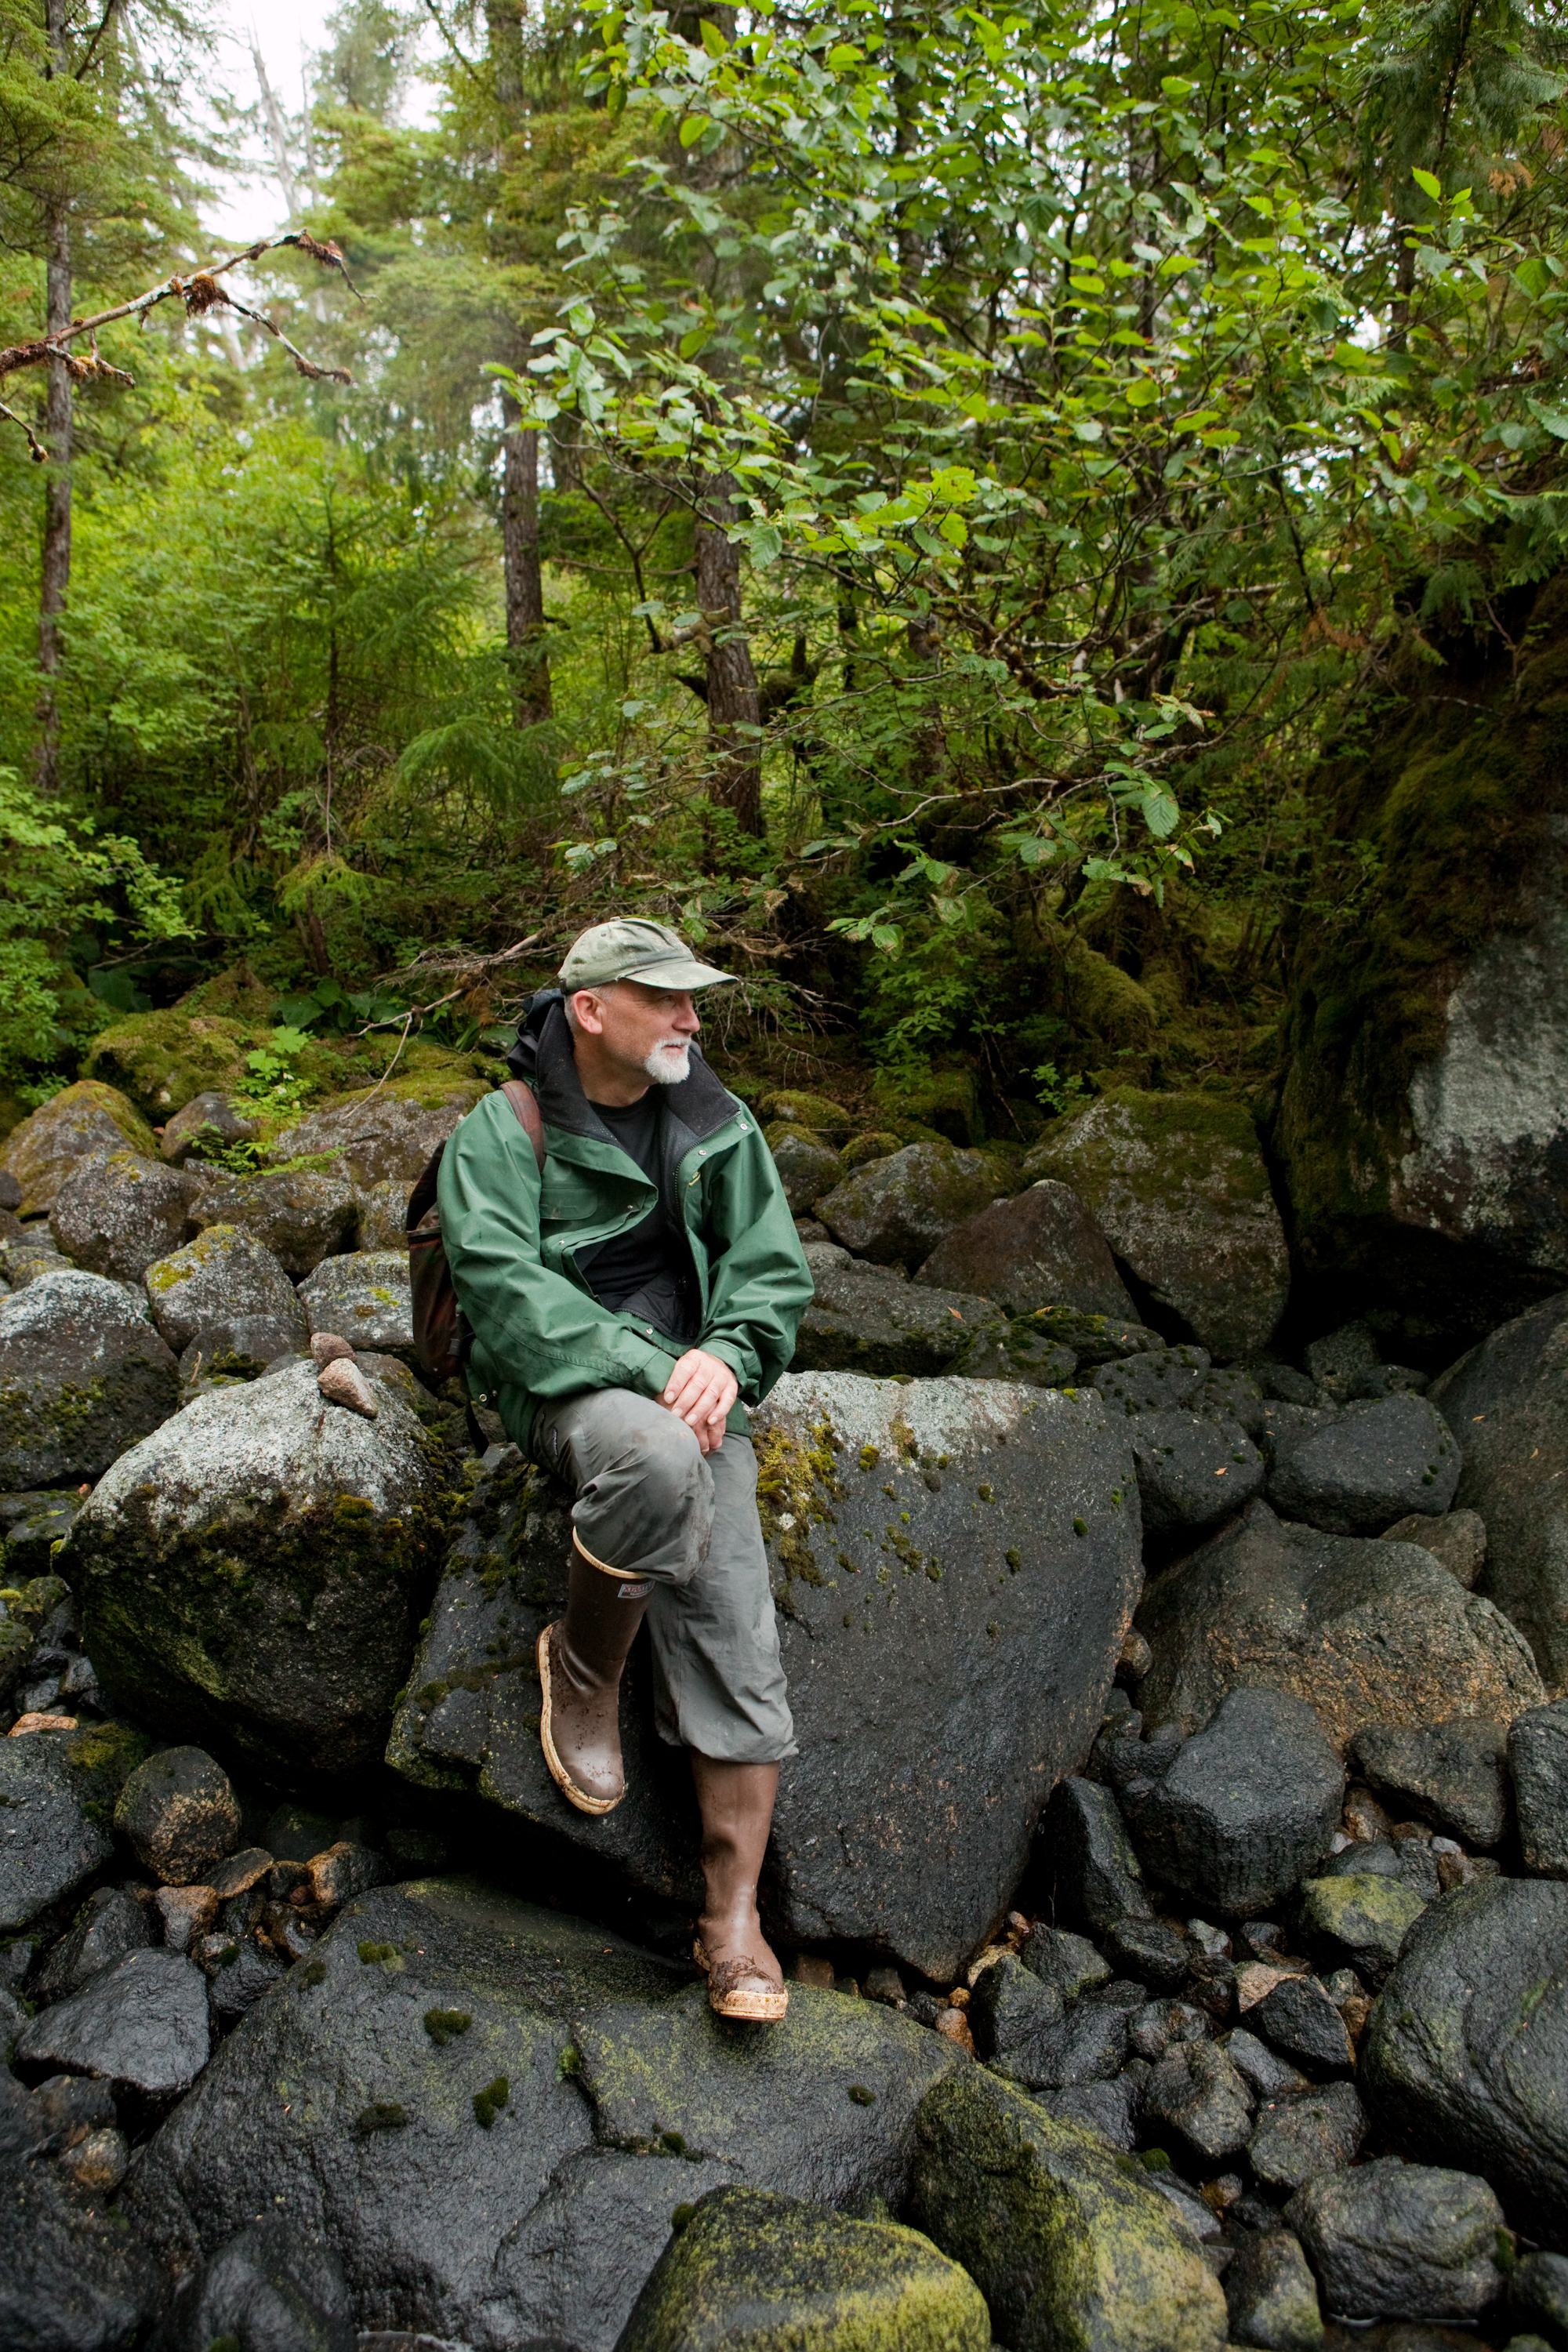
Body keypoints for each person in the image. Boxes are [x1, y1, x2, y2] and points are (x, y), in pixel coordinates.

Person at [436, 919, 813, 2022]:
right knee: (652, 1459)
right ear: (591, 1010)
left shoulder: (718, 1122)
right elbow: (510, 1305)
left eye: (695, 999)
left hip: (696, 1389)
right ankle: (585, 1675)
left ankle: (732, 1921)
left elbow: (770, 1272)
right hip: (572, 1386)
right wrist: (667, 1370)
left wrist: (732, 1358)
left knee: (737, 1609)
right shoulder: (501, 1132)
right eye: (667, 999)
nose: (693, 1020)